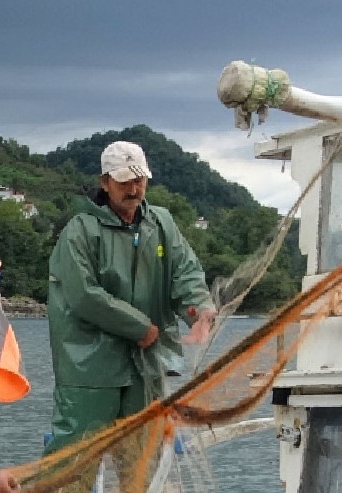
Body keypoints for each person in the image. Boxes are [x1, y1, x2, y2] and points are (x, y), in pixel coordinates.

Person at [44, 140, 216, 455]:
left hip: (145, 368)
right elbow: (84, 295)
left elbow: (185, 271)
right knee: (73, 461)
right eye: (124, 181)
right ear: (105, 183)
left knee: (142, 459)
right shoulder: (79, 231)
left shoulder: (161, 223)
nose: (133, 188)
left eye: (139, 180)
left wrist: (198, 311)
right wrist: (141, 328)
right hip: (89, 369)